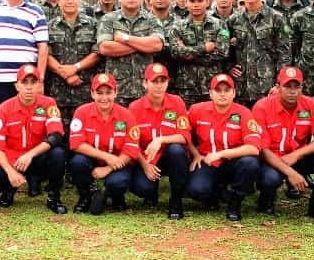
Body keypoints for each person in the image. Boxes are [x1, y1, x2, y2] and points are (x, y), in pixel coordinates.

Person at [252, 67, 314, 223]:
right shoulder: (262, 106)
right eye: (287, 86)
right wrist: (290, 173)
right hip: (272, 160)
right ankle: (266, 200)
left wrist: (297, 155)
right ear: (278, 87)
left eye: (296, 87)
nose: (292, 91)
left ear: (302, 87)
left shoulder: (310, 104)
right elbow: (262, 149)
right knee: (269, 180)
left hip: (297, 158)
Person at [0, 64, 68, 213]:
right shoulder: (3, 109)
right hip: (13, 160)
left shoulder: (49, 104)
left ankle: (54, 197)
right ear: (17, 86)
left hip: (37, 158)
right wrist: (10, 171)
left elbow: (56, 135)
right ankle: (8, 191)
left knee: (58, 153)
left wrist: (30, 155)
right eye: (24, 82)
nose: (29, 87)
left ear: (39, 85)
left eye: (33, 82)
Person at [184, 74, 262, 221]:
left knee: (250, 163)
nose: (222, 94)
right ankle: (215, 194)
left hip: (233, 163)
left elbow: (254, 147)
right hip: (207, 161)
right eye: (218, 90)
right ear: (210, 93)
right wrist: (195, 153)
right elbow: (183, 134)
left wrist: (221, 154)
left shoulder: (244, 113)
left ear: (234, 93)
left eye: (227, 90)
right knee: (196, 190)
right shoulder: (197, 110)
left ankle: (235, 203)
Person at [68, 73, 140, 215]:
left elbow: (131, 149)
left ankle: (115, 195)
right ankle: (85, 196)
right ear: (92, 94)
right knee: (77, 162)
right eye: (99, 93)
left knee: (118, 182)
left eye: (108, 92)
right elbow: (76, 143)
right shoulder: (81, 112)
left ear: (116, 93)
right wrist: (107, 157)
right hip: (94, 159)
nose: (104, 97)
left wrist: (108, 168)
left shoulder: (127, 115)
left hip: (118, 162)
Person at [127, 63, 190, 219]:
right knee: (142, 188)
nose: (159, 86)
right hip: (148, 159)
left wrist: (161, 140)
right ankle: (151, 193)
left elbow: (184, 136)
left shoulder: (177, 102)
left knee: (177, 149)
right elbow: (131, 143)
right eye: (154, 81)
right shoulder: (134, 107)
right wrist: (144, 164)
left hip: (171, 158)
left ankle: (176, 200)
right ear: (145, 83)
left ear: (168, 83)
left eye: (163, 81)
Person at [45, 0, 102, 136]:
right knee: (59, 138)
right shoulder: (49, 26)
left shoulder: (93, 24)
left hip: (84, 92)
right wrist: (65, 73)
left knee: (85, 137)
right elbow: (46, 54)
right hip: (58, 93)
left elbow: (97, 53)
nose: (69, 1)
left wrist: (75, 68)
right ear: (59, 0)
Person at [227, 0, 291, 107]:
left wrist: (279, 84)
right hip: (240, 89)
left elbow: (284, 54)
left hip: (267, 88)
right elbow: (224, 49)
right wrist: (229, 67)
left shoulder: (276, 18)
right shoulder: (233, 20)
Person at [97, 0, 164, 107]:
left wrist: (125, 39)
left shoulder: (152, 19)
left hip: (144, 89)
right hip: (117, 90)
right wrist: (143, 45)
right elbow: (105, 48)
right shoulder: (108, 19)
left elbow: (157, 45)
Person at [168, 0, 230, 107]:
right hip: (186, 87)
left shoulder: (219, 25)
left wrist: (187, 52)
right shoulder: (177, 26)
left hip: (212, 86)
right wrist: (205, 48)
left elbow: (222, 53)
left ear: (207, 2)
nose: (196, 5)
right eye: (192, 1)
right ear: (186, 2)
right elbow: (175, 53)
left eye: (200, 0)